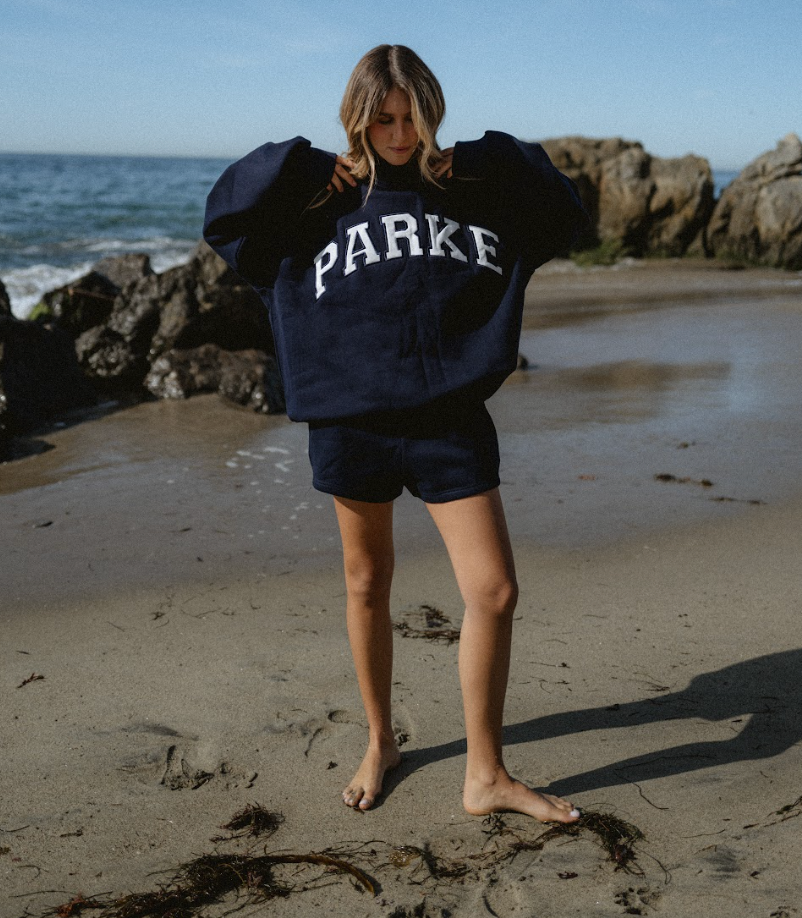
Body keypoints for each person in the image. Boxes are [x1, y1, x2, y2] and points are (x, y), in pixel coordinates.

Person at [203, 44, 587, 822]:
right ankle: (381, 740)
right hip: (354, 422)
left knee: (494, 590)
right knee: (368, 583)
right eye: (384, 118)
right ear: (358, 115)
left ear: (431, 112)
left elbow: (565, 211)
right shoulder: (315, 200)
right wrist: (305, 167)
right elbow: (225, 216)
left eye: (412, 116)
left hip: (449, 420)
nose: (400, 134)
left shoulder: (471, 191)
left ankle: (485, 774)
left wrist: (478, 161)